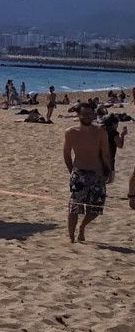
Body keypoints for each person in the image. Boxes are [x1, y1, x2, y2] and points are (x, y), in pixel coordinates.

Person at [64, 103, 112, 244]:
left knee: (96, 208)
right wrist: (71, 170)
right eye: (84, 114)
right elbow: (66, 153)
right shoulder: (71, 132)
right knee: (74, 207)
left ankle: (82, 227)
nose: (87, 117)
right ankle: (71, 238)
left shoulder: (100, 132)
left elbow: (105, 154)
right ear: (78, 114)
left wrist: (110, 171)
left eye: (90, 114)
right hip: (79, 173)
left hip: (97, 173)